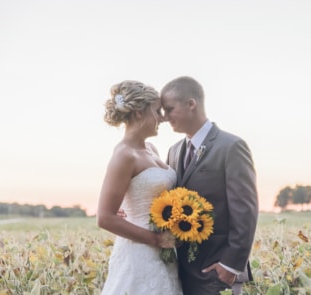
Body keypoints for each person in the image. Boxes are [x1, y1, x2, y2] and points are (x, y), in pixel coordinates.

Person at [161, 76, 259, 295]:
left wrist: (230, 265)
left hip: (218, 271)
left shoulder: (231, 146)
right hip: (182, 271)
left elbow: (245, 210)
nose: (164, 117)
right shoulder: (174, 151)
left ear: (191, 104)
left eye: (169, 109)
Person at [97, 80, 183, 295]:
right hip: (139, 254)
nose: (162, 118)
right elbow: (105, 217)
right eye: (157, 111)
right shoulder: (124, 155)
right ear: (138, 113)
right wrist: (155, 239)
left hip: (164, 254)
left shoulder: (151, 148)